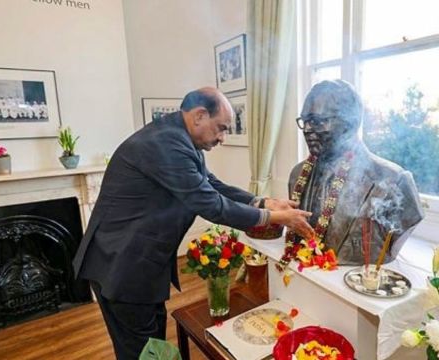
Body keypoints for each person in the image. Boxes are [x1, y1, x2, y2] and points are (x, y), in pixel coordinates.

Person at [72, 87, 313, 359]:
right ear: (199, 115)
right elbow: (211, 204)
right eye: (220, 128)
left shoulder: (180, 139)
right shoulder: (165, 145)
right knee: (140, 353)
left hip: (139, 264)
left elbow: (212, 185)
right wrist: (274, 218)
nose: (222, 138)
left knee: (154, 346)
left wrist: (264, 202)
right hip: (123, 267)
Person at [288, 80, 424, 265]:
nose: (308, 130)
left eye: (318, 121)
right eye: (305, 121)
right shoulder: (297, 175)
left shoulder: (394, 181)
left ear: (349, 123)